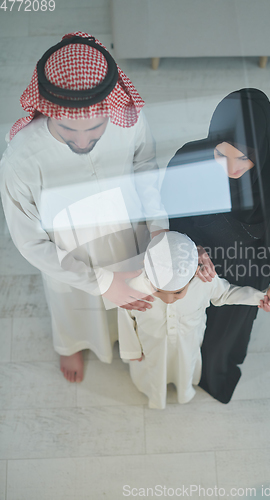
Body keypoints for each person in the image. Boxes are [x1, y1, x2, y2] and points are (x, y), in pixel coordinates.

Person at [0, 31, 169, 383]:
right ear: (48, 112)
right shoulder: (21, 157)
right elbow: (30, 241)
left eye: (95, 130)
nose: (82, 142)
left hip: (127, 232)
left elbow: (145, 166)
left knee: (131, 294)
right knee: (72, 304)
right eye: (67, 130)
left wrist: (158, 226)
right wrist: (102, 282)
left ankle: (126, 339)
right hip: (67, 252)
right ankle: (71, 344)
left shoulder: (129, 118)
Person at [163, 89, 270, 403]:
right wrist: (192, 250)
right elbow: (167, 216)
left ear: (263, 150)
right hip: (194, 268)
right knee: (181, 328)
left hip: (247, 272)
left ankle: (210, 377)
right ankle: (175, 375)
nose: (231, 167)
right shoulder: (189, 161)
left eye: (243, 157)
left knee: (223, 339)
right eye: (221, 154)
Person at [117, 231, 270, 409]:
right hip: (150, 344)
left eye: (177, 293)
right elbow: (126, 319)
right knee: (153, 370)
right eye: (158, 291)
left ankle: (184, 391)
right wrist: (132, 351)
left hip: (188, 342)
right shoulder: (133, 287)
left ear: (194, 273)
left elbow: (226, 293)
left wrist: (260, 297)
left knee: (184, 367)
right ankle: (155, 395)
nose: (168, 300)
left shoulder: (203, 282)